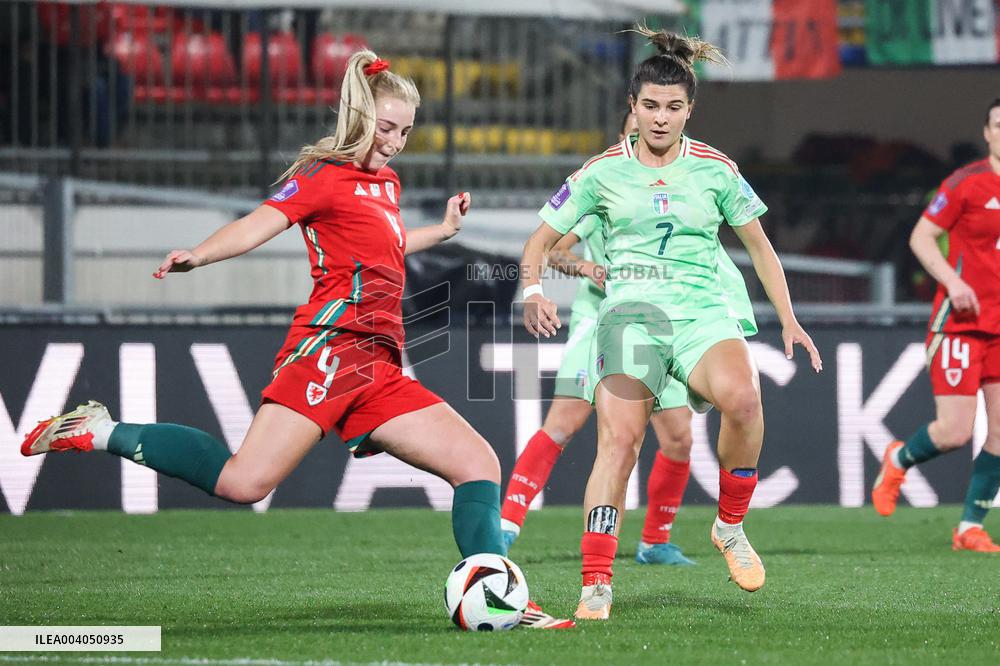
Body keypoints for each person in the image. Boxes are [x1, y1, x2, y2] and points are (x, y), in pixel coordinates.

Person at [20, 49, 573, 628]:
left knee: (476, 462)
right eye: (387, 127)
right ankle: (100, 429)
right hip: (331, 348)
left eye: (406, 132)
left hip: (378, 364)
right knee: (244, 482)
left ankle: (505, 597)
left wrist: (443, 231)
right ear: (360, 117)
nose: (395, 142)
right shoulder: (322, 178)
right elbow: (258, 223)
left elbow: (383, 248)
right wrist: (200, 255)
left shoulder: (386, 184)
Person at [519, 28, 822, 620]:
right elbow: (539, 242)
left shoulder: (716, 169)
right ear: (632, 107)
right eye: (651, 106)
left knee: (744, 400)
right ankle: (596, 581)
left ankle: (729, 526)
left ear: (689, 110)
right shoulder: (601, 172)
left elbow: (760, 247)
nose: (661, 118)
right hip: (631, 317)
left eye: (673, 107)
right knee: (620, 443)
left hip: (701, 313)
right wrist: (533, 291)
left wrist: (789, 319)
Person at [502, 111, 761, 567]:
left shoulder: (689, 185)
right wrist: (586, 269)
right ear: (626, 133)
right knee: (566, 421)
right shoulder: (608, 183)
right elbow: (554, 248)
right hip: (602, 318)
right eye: (636, 128)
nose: (649, 132)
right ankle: (505, 526)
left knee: (679, 436)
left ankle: (654, 541)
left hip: (671, 323)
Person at [872, 98, 1000, 553]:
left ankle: (969, 528)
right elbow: (921, 237)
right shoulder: (966, 183)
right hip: (960, 324)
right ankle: (899, 458)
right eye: (998, 125)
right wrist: (953, 281)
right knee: (955, 431)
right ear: (986, 132)